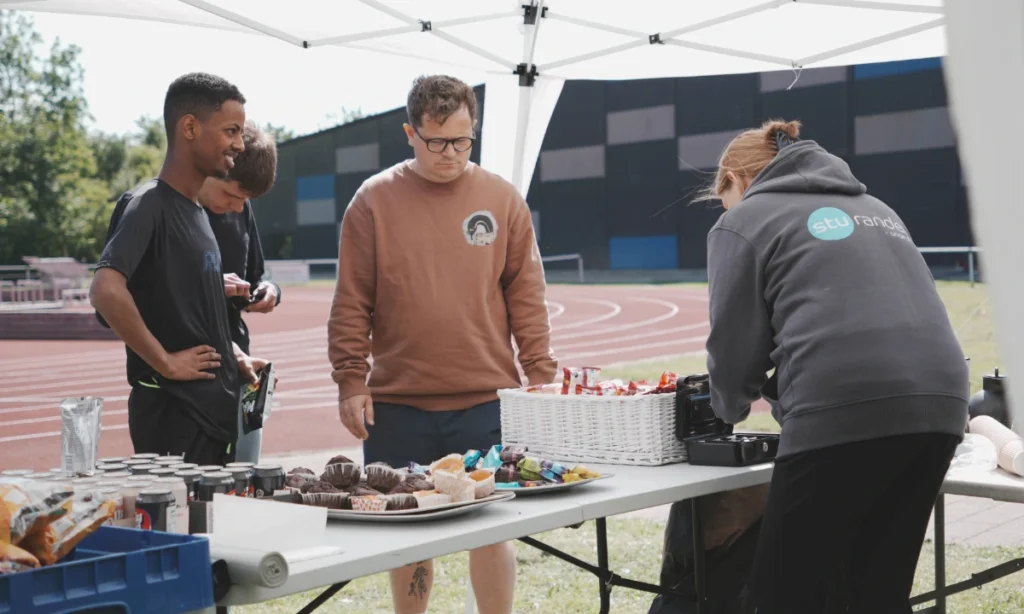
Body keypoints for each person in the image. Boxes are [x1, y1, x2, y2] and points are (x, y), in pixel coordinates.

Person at [700, 119, 969, 613]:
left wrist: (727, 409)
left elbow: (735, 342)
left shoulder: (744, 219)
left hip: (844, 409)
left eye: (723, 196)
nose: (724, 209)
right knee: (875, 589)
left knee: (783, 594)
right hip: (942, 406)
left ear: (735, 179)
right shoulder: (877, 208)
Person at [328, 74, 557, 614]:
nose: (450, 153)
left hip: (485, 401)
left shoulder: (501, 198)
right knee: (408, 536)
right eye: (436, 141)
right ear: (410, 132)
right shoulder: (373, 201)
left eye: (462, 140)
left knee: (491, 532)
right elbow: (351, 298)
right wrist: (350, 380)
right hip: (399, 404)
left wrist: (542, 374)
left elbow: (527, 293)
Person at [90, 72, 268, 466]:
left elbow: (182, 308)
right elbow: (105, 290)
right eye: (231, 130)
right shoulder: (148, 204)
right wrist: (166, 362)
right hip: (174, 417)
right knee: (181, 526)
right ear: (190, 127)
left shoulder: (197, 213)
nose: (240, 143)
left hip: (213, 419)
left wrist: (233, 354)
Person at [199, 120, 281, 464]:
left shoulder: (240, 208)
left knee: (246, 477)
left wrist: (269, 290)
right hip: (195, 370)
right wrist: (211, 285)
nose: (237, 207)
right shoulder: (171, 211)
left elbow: (256, 272)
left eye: (244, 200)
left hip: (240, 363)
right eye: (231, 196)